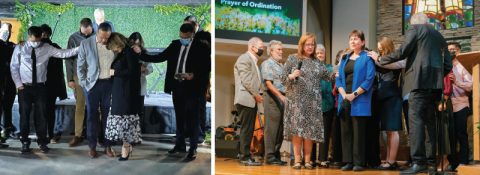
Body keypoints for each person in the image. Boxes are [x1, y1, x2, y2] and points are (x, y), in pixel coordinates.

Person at [369, 13, 452, 174]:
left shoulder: (415, 29)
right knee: (430, 125)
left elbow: (402, 52)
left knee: (416, 124)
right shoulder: (439, 36)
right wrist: (435, 77)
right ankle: (431, 164)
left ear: (413, 23)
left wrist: (380, 59)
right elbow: (447, 64)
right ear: (427, 22)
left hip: (417, 84)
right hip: (434, 87)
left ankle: (418, 162)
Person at [134, 23, 210, 161]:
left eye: (185, 37)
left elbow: (206, 69)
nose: (182, 39)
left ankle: (193, 148)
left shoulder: (201, 47)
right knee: (179, 117)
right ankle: (179, 145)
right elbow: (159, 57)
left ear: (192, 35)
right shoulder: (175, 45)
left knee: (192, 119)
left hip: (193, 88)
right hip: (177, 87)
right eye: (181, 36)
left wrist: (193, 75)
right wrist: (141, 54)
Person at [10, 26, 79, 153]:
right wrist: (18, 84)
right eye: (33, 41)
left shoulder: (47, 48)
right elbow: (14, 67)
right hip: (24, 87)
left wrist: (80, 48)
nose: (36, 43)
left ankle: (42, 141)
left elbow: (64, 53)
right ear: (29, 36)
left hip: (41, 87)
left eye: (38, 41)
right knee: (24, 116)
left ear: (41, 37)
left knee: (41, 115)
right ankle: (25, 142)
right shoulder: (20, 48)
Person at [283, 33, 335, 170]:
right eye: (308, 44)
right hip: (296, 102)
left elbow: (329, 76)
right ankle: (297, 161)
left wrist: (339, 70)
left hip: (313, 103)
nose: (310, 47)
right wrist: (292, 75)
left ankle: (307, 161)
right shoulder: (293, 59)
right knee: (298, 132)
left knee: (309, 133)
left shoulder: (317, 62)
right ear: (302, 45)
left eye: (312, 44)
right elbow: (282, 78)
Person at [336, 30, 376, 171]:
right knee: (346, 132)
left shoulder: (367, 57)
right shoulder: (345, 58)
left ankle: (359, 162)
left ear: (363, 42)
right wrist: (342, 93)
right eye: (351, 39)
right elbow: (338, 78)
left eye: (356, 39)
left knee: (358, 133)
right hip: (344, 97)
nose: (353, 41)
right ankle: (348, 161)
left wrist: (354, 94)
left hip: (359, 99)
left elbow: (369, 79)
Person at [77, 22, 115, 158]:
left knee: (108, 117)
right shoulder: (86, 44)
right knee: (92, 117)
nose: (104, 40)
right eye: (102, 37)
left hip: (109, 85)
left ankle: (107, 146)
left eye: (107, 37)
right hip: (92, 86)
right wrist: (84, 83)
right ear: (97, 32)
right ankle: (92, 146)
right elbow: (80, 66)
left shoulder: (114, 43)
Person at [104, 32, 142, 161]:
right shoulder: (122, 53)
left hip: (127, 93)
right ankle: (126, 146)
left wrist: (115, 72)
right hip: (119, 91)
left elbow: (134, 71)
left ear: (116, 43)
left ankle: (125, 148)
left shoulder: (129, 52)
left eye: (112, 46)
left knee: (125, 120)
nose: (112, 49)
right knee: (121, 120)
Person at [369, 37, 405, 170]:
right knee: (387, 131)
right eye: (378, 49)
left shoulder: (395, 59)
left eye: (382, 49)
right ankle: (389, 160)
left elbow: (386, 64)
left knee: (393, 130)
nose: (380, 51)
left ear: (388, 47)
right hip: (381, 97)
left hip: (392, 97)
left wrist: (376, 58)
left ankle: (391, 161)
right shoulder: (378, 59)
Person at [231, 37, 265, 166]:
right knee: (247, 129)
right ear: (252, 47)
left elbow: (254, 82)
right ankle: (245, 157)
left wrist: (259, 94)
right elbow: (246, 80)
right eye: (261, 46)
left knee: (249, 129)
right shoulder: (244, 58)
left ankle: (245, 155)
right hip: (246, 99)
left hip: (250, 99)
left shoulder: (253, 61)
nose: (263, 48)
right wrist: (256, 95)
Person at [66, 18, 94, 147]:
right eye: (84, 32)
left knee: (96, 108)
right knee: (80, 106)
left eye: (89, 32)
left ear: (92, 27)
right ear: (80, 27)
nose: (87, 35)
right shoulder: (73, 37)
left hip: (95, 76)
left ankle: (96, 135)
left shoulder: (98, 35)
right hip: (78, 76)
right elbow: (68, 59)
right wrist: (70, 78)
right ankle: (78, 135)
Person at [183, 15, 211, 142]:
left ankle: (200, 134)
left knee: (199, 105)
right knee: (188, 106)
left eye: (189, 25)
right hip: (187, 79)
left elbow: (206, 60)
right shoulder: (186, 38)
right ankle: (188, 131)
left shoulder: (205, 36)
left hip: (200, 79)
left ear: (195, 25)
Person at [39, 24, 68, 144]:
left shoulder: (54, 47)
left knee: (49, 111)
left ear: (49, 34)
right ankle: (43, 134)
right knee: (41, 111)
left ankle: (49, 134)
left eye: (46, 34)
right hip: (39, 85)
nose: (44, 36)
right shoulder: (35, 47)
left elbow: (59, 70)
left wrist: (61, 89)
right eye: (43, 34)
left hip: (50, 85)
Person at [446, 42, 472, 171]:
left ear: (459, 51)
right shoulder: (445, 66)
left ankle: (464, 160)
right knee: (450, 135)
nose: (450, 52)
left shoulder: (463, 67)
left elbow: (471, 85)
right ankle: (452, 162)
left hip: (461, 104)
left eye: (453, 50)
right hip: (448, 105)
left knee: (461, 133)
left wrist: (456, 82)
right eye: (448, 50)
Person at [260, 40, 286, 165]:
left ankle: (276, 154)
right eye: (278, 50)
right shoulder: (267, 64)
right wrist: (280, 96)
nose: (281, 52)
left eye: (281, 49)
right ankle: (269, 156)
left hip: (282, 99)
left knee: (280, 129)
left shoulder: (281, 65)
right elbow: (269, 83)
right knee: (271, 129)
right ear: (271, 51)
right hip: (272, 98)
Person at [310, 44, 337, 168]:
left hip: (328, 104)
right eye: (317, 53)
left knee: (325, 133)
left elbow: (335, 84)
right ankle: (311, 159)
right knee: (312, 132)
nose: (320, 55)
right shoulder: (309, 68)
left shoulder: (330, 68)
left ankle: (322, 158)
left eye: (322, 53)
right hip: (313, 105)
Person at [128, 32, 153, 138]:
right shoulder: (126, 52)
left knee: (139, 110)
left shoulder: (145, 53)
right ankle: (128, 132)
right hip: (128, 86)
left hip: (140, 85)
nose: (136, 47)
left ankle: (137, 133)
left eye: (138, 44)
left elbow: (150, 69)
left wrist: (144, 69)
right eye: (133, 44)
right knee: (128, 110)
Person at [0, 22, 16, 143]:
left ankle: (7, 128)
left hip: (10, 81)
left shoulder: (11, 46)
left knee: (8, 106)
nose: (7, 33)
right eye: (5, 31)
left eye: (9, 31)